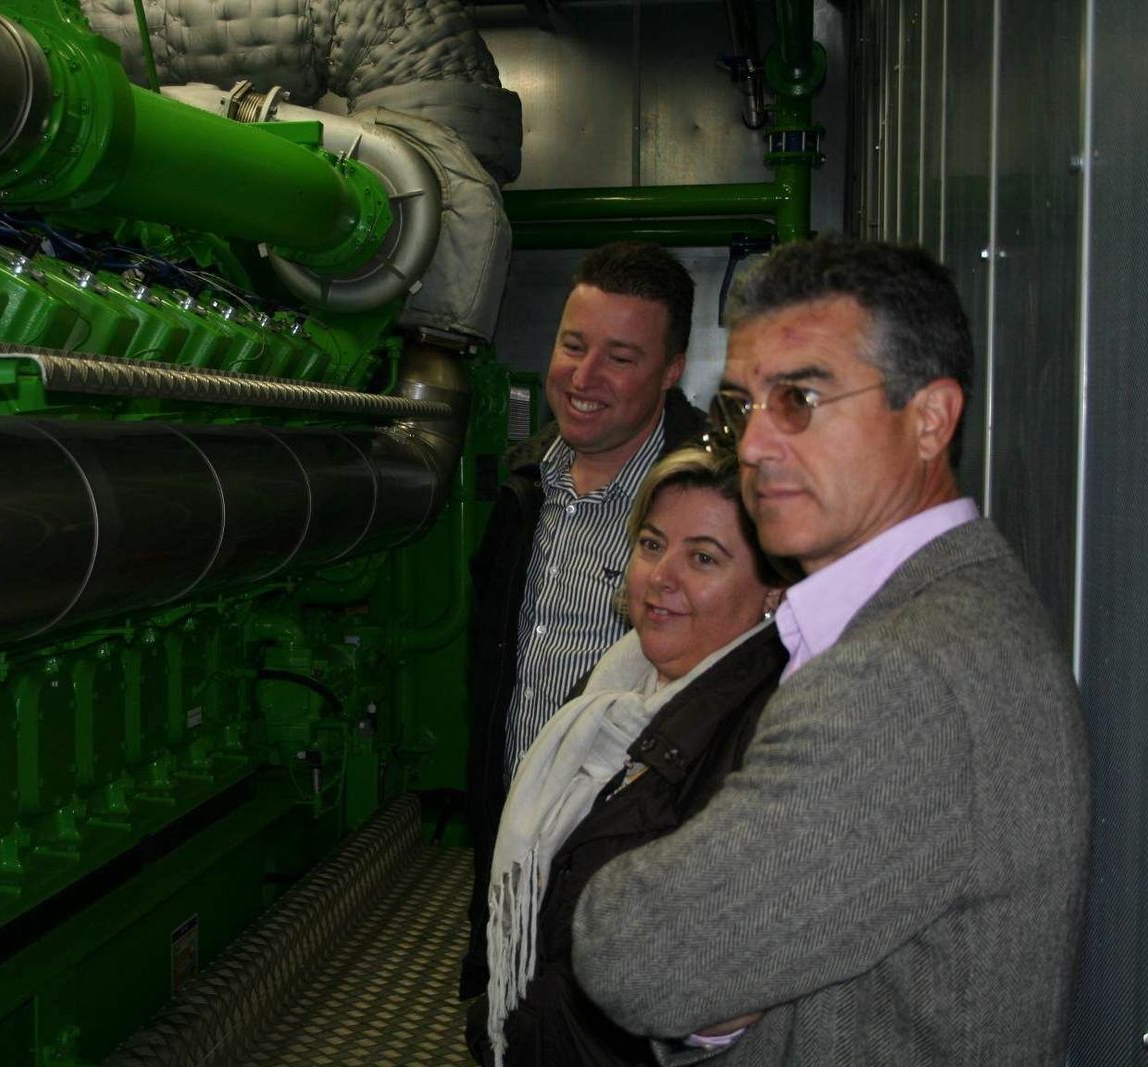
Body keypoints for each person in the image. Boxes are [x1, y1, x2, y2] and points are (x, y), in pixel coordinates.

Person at [571, 238, 1090, 1064]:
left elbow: (635, 954)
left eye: (802, 399)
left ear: (930, 419)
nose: (753, 447)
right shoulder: (948, 607)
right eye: (743, 406)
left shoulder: (901, 676)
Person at [465, 443, 795, 1067]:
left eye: (703, 557)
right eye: (651, 544)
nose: (660, 576)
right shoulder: (619, 685)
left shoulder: (767, 738)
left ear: (774, 587)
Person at [463, 243, 708, 998]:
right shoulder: (524, 484)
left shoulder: (711, 505)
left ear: (672, 370)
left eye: (621, 357)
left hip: (640, 871)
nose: (583, 378)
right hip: (514, 849)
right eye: (573, 345)